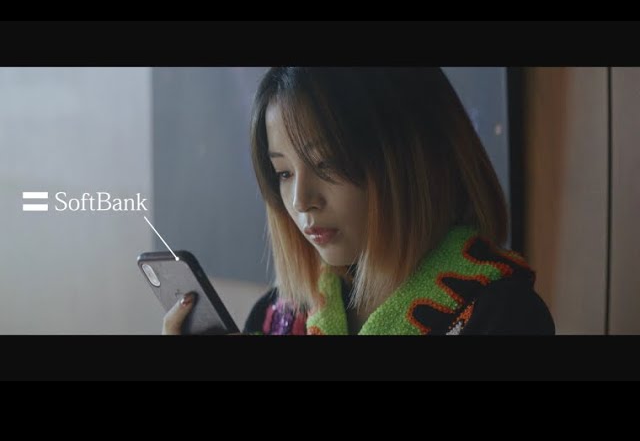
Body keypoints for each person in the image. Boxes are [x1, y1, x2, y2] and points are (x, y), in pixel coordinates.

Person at [163, 67, 555, 336]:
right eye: (283, 173)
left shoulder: (502, 316)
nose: (301, 201)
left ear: (412, 159)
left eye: (327, 163)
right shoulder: (281, 314)